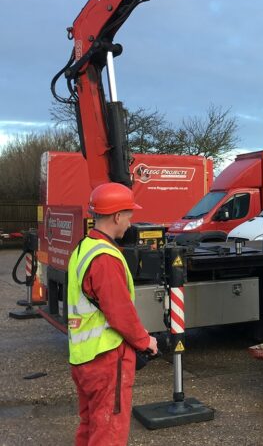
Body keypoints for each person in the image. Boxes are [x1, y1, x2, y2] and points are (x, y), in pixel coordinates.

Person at [68, 182, 158, 446]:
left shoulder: (84, 248)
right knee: (108, 431)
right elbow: (120, 312)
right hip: (106, 359)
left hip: (83, 357)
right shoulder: (105, 257)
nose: (130, 224)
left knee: (90, 426)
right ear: (117, 216)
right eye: (129, 216)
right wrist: (145, 341)